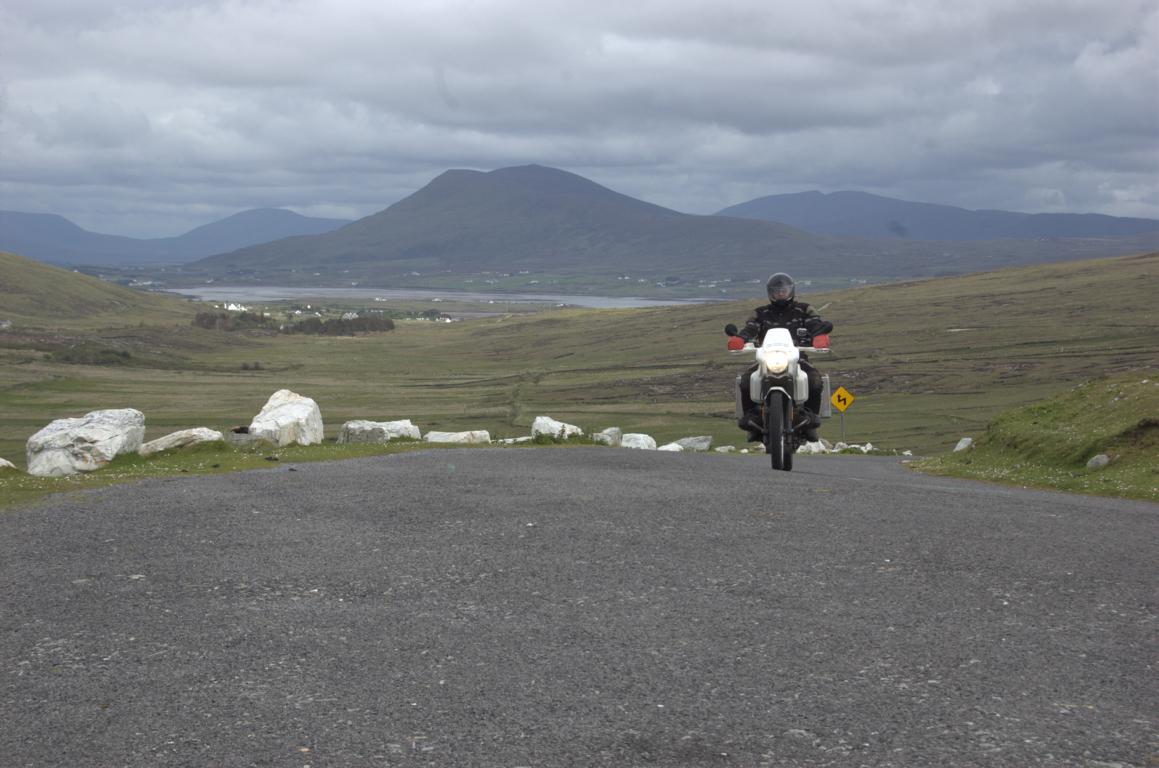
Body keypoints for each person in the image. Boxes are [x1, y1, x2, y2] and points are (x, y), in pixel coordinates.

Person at [728, 272, 833, 442]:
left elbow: (815, 323)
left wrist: (819, 335)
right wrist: (740, 338)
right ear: (770, 293)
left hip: (798, 359)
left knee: (814, 380)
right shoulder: (760, 313)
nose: (780, 294)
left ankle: (811, 420)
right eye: (776, 291)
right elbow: (751, 327)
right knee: (747, 380)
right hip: (766, 359)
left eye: (783, 290)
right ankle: (752, 419)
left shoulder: (804, 309)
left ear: (791, 291)